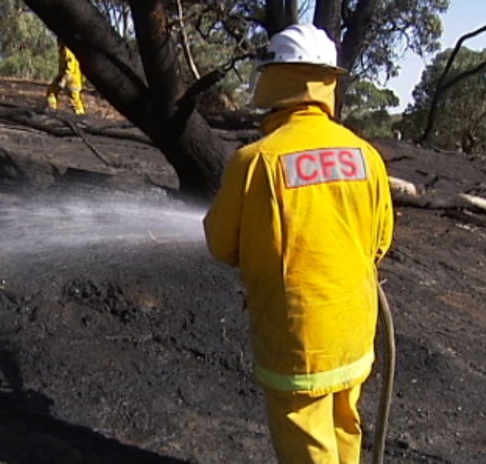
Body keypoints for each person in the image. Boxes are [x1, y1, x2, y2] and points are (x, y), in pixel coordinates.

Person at [203, 24, 394, 464]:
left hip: (298, 343)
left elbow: (220, 244)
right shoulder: (365, 155)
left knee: (306, 444)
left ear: (275, 78)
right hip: (353, 331)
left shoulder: (256, 161)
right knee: (345, 427)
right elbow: (380, 241)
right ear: (329, 82)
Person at [46, 39, 86, 115]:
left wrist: (63, 81)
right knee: (51, 91)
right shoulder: (62, 49)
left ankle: (81, 118)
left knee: (75, 101)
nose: (57, 41)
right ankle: (52, 111)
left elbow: (69, 69)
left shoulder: (68, 51)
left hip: (72, 79)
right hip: (62, 76)